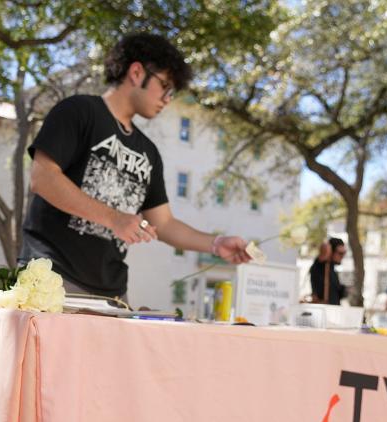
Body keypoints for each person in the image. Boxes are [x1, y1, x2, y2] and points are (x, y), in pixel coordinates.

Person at [20, 33, 251, 299]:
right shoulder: (78, 111)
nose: (168, 97)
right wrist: (114, 218)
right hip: (52, 280)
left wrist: (216, 243)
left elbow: (164, 224)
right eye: (165, 85)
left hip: (113, 295)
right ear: (137, 72)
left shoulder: (149, 152)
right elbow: (43, 178)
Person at [309, 237, 347, 305]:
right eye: (340, 253)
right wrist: (327, 250)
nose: (342, 256)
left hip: (334, 311)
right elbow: (321, 257)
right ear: (330, 252)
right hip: (324, 312)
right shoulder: (319, 267)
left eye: (344, 253)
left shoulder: (332, 270)